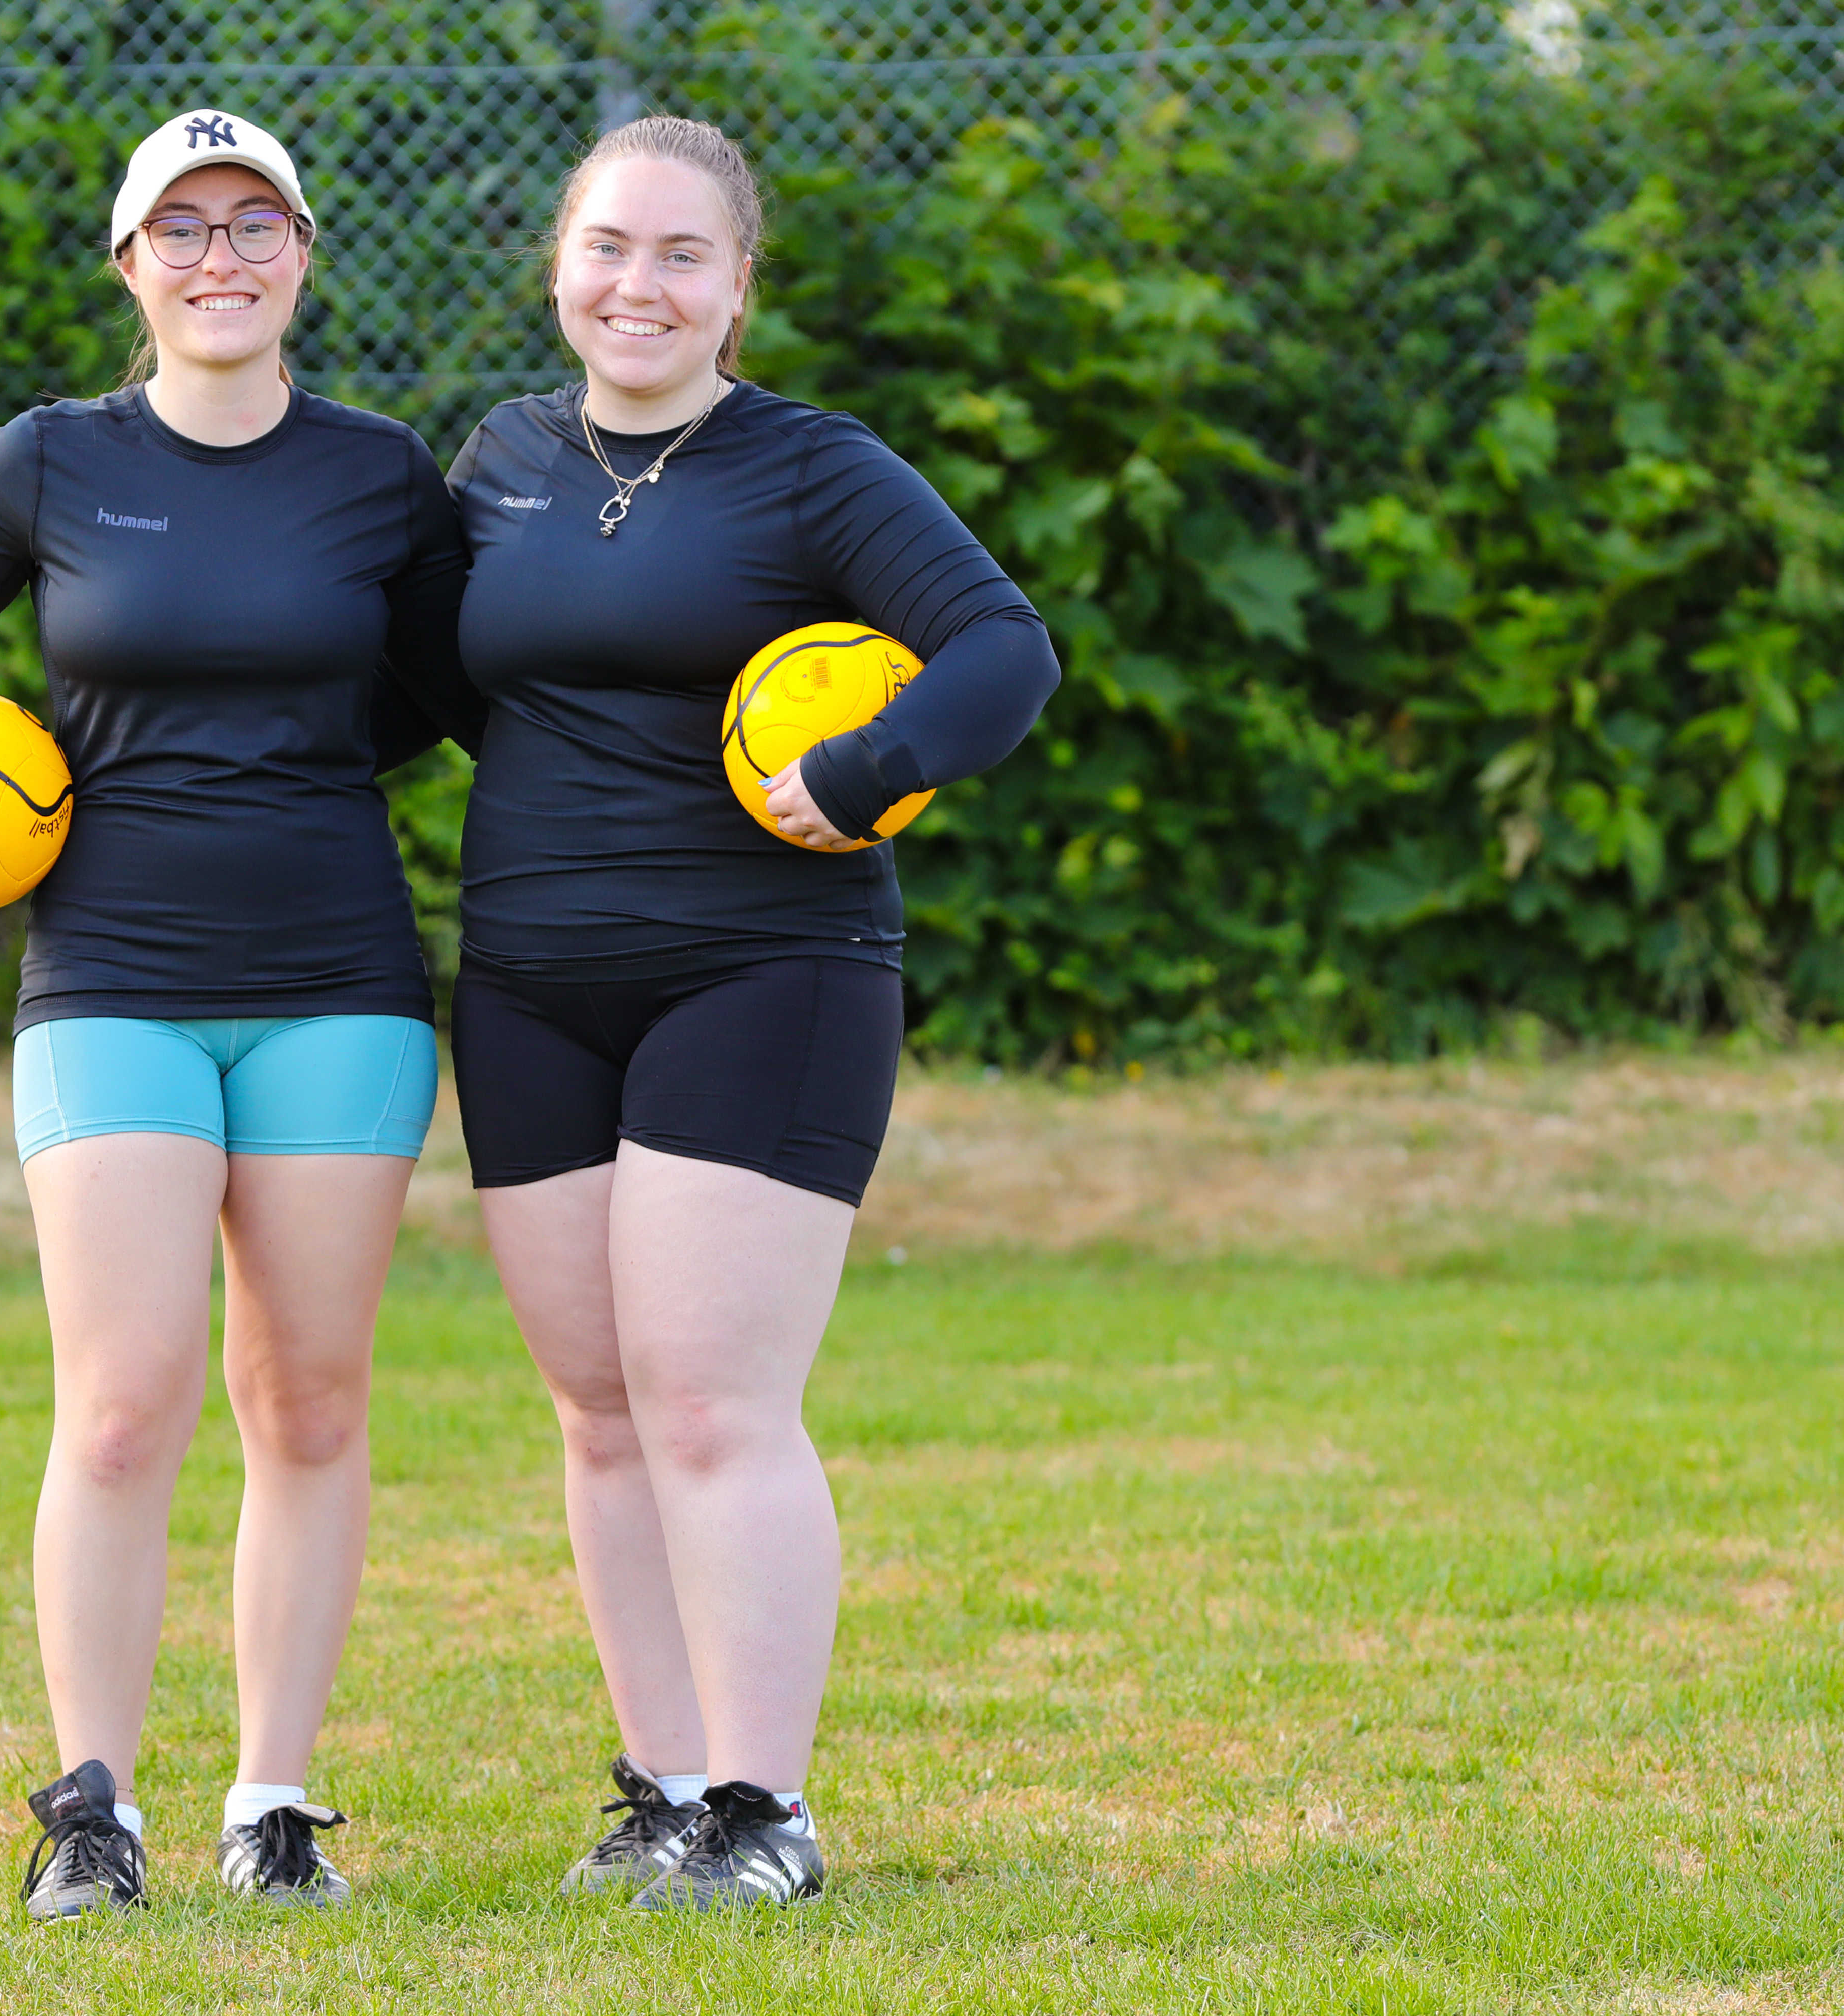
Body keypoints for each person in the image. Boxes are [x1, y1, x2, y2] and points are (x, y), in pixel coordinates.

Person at [0, 108, 478, 1919]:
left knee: (309, 1401)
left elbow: (458, 690)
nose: (221, 256)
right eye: (182, 229)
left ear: (306, 255)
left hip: (339, 981)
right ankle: (92, 1812)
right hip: (111, 984)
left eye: (256, 223)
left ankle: (274, 1804)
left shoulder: (384, 475)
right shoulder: (52, 463)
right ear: (130, 265)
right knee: (121, 1404)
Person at [442, 115, 1060, 1909]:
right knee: (600, 1408)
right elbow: (417, 683)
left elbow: (1002, 651)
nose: (640, 285)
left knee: (713, 1402)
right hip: (530, 979)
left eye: (682, 256)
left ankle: (765, 1817)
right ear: (562, 265)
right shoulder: (500, 460)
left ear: (738, 290)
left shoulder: (814, 467)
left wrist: (865, 774)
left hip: (764, 971)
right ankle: (663, 1788)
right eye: (610, 249)